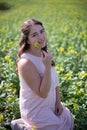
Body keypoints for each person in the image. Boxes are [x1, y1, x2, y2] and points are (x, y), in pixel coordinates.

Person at [11, 18, 74, 130]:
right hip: (35, 109)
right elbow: (43, 93)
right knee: (58, 126)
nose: (41, 37)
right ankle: (20, 126)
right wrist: (47, 66)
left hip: (49, 105)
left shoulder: (45, 54)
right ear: (28, 40)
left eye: (42, 31)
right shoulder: (25, 63)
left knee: (66, 118)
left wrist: (58, 102)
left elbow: (55, 80)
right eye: (34, 35)